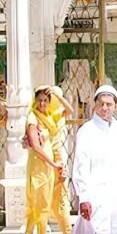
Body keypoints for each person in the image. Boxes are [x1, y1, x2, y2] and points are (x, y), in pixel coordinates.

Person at [72, 85, 117, 234]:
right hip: (95, 196)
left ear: (115, 106)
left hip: (116, 195)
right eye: (101, 104)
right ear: (95, 105)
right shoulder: (86, 131)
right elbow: (81, 166)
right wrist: (84, 197)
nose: (105, 108)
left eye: (109, 104)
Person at [25, 85, 66, 234]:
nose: (42, 104)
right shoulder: (32, 118)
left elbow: (70, 111)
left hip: (48, 167)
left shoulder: (49, 116)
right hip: (38, 168)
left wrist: (58, 95)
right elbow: (36, 147)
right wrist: (53, 163)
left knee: (44, 205)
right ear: (35, 101)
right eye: (39, 100)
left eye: (45, 100)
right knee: (38, 207)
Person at [48, 86, 75, 234]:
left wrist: (59, 98)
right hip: (45, 157)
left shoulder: (57, 114)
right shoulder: (42, 115)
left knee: (61, 195)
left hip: (57, 157)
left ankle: (66, 229)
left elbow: (70, 110)